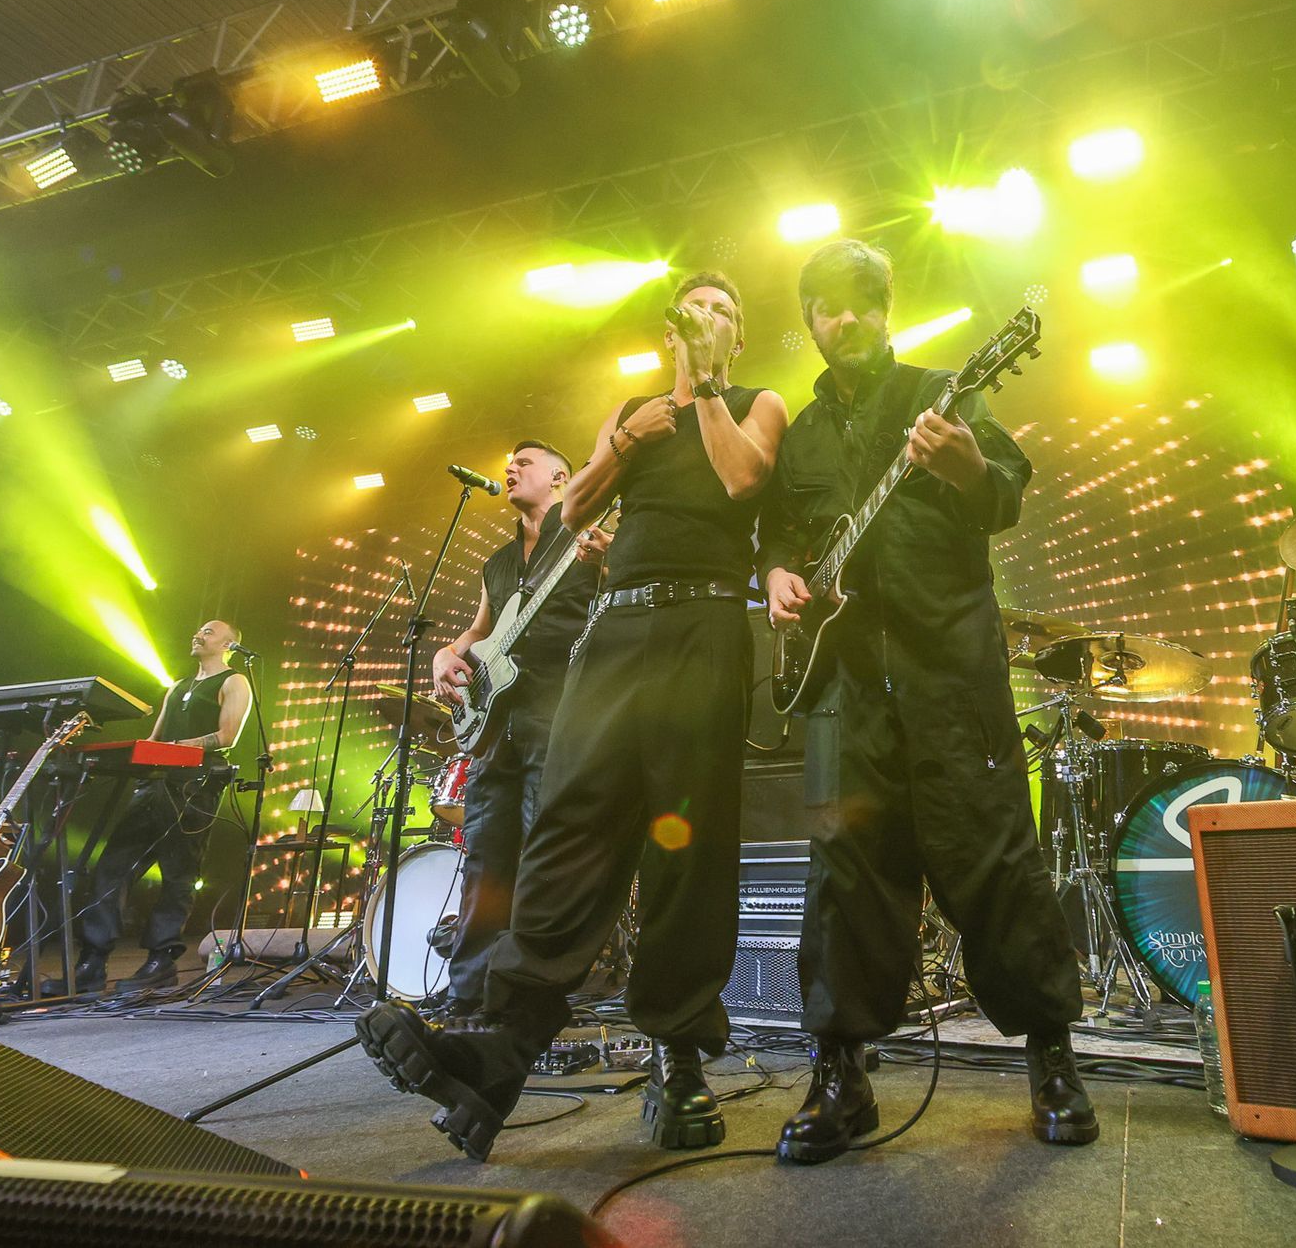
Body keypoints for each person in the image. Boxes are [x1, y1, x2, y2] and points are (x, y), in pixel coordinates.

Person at [357, 271, 789, 1161]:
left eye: (725, 314)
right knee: (567, 824)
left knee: (685, 845)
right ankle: (500, 1051)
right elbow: (576, 509)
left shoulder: (756, 399)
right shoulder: (630, 412)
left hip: (703, 624)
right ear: (671, 326)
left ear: (735, 340)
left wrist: (706, 388)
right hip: (617, 627)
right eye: (696, 309)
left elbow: (746, 480)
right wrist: (622, 441)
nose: (708, 320)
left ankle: (678, 1059)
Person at [758, 238, 1096, 1163]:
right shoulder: (802, 435)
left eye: (863, 300)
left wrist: (965, 470)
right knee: (841, 880)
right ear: (812, 323)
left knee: (995, 859)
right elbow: (779, 535)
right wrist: (782, 574)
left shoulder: (946, 392)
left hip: (952, 679)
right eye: (828, 305)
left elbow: (1005, 494)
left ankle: (1052, 1059)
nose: (847, 317)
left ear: (887, 306)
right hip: (840, 696)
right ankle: (841, 1076)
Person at [430, 440, 609, 1018]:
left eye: (524, 462)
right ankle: (467, 998)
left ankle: (527, 998)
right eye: (509, 463)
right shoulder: (498, 562)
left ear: (561, 477)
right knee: (485, 862)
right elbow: (481, 632)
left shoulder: (589, 533)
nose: (509, 468)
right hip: (494, 724)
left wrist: (609, 563)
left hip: (559, 711)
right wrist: (445, 654)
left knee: (542, 856)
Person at [58, 620, 252, 994]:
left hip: (194, 789)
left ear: (228, 643)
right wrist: (138, 754)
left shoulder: (233, 681)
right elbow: (154, 739)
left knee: (177, 875)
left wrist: (174, 748)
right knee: (111, 868)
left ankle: (161, 959)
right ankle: (93, 961)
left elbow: (226, 736)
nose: (198, 634)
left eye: (209, 632)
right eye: (197, 630)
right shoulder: (177, 686)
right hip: (154, 784)